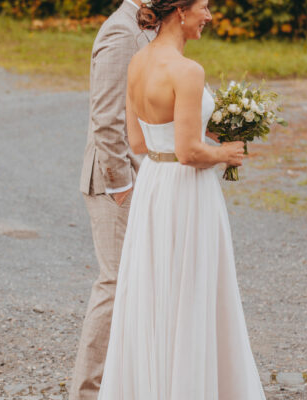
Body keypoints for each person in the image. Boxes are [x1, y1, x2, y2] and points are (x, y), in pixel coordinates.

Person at [97, 0, 267, 398]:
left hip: (154, 185)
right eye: (204, 7)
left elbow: (138, 142)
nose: (209, 16)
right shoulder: (188, 70)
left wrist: (203, 138)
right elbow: (189, 153)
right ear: (181, 11)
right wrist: (227, 153)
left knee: (157, 290)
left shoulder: (138, 62)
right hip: (187, 192)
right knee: (192, 291)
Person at [70, 1, 155, 399]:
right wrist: (122, 184)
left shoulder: (150, 27)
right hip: (113, 183)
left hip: (142, 177)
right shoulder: (121, 31)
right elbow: (105, 117)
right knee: (115, 283)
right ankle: (86, 392)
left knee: (134, 283)